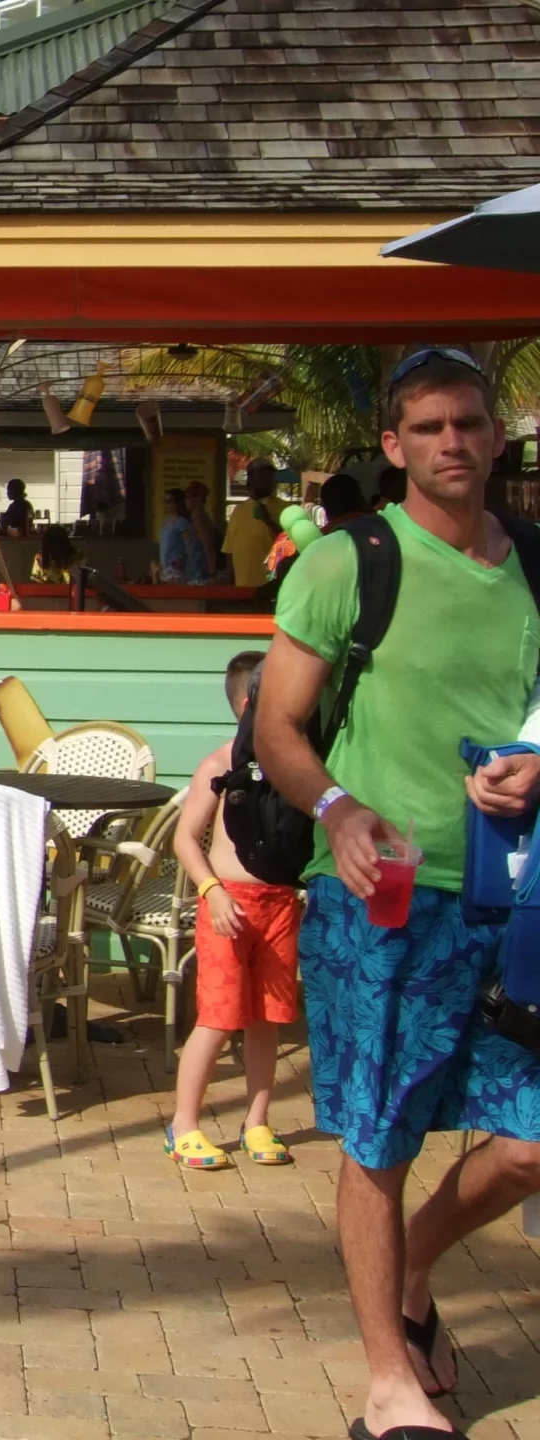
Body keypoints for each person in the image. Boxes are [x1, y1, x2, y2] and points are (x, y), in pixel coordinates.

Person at [254, 346, 540, 1437]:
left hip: (510, 901)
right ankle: (386, 1384)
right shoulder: (345, 564)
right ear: (392, 446)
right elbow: (277, 729)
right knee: (377, 1138)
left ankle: (414, 1267)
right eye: (426, 428)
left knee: (527, 1141)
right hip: (378, 896)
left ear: (497, 433)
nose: (450, 443)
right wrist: (338, 809)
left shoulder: (533, 566)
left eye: (466, 423)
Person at [166, 650, 298, 1172]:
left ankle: (257, 1119)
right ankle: (183, 1125)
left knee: (268, 1018)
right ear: (250, 705)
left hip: (280, 905)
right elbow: (184, 839)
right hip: (228, 906)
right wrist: (212, 891)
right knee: (218, 1019)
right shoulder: (222, 765)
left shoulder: (295, 765)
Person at [223, 461, 285, 588]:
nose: (265, 481)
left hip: (271, 587)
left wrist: (268, 521)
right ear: (250, 482)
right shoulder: (238, 510)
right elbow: (229, 549)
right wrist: (230, 583)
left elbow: (290, 545)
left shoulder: (285, 508)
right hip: (242, 586)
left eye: (269, 477)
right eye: (261, 477)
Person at [159, 489, 208, 584]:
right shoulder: (164, 522)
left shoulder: (182, 523)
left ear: (177, 503)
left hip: (177, 570)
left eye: (169, 501)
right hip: (165, 569)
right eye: (164, 501)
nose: (165, 504)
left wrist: (185, 564)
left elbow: (190, 547)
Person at [185, 478, 226, 578]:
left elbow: (208, 546)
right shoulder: (197, 516)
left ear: (200, 498)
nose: (187, 500)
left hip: (200, 569)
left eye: (191, 497)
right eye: (185, 497)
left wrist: (212, 570)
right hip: (195, 566)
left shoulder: (199, 518)